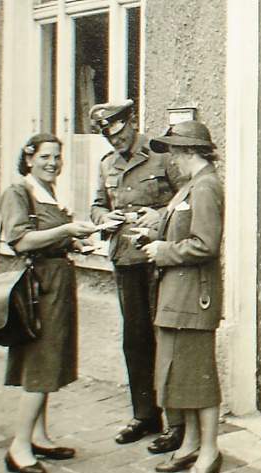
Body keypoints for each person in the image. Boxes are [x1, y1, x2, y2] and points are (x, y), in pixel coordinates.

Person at [89, 99, 185, 452]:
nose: (112, 140)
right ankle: (144, 415)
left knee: (166, 338)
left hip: (159, 260)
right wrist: (103, 220)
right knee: (135, 339)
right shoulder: (106, 164)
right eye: (105, 135)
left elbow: (183, 200)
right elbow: (97, 204)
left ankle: (176, 422)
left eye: (115, 131)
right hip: (127, 258)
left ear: (130, 122)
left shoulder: (160, 154)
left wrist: (157, 217)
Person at [0, 133, 97, 473]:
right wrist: (67, 229)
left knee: (51, 360)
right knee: (41, 364)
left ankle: (38, 436)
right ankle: (19, 446)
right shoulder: (19, 192)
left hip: (56, 284)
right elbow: (21, 240)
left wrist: (74, 242)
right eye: (45, 157)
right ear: (28, 159)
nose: (52, 163)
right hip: (39, 288)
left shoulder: (48, 194)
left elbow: (52, 236)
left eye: (57, 157)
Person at [141, 120, 224, 473]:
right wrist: (154, 231)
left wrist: (163, 251)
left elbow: (205, 244)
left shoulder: (206, 187)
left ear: (190, 151)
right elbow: (180, 230)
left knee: (199, 378)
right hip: (177, 295)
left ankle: (209, 451)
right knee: (181, 374)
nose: (171, 158)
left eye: (175, 150)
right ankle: (191, 442)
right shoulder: (190, 186)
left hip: (194, 296)